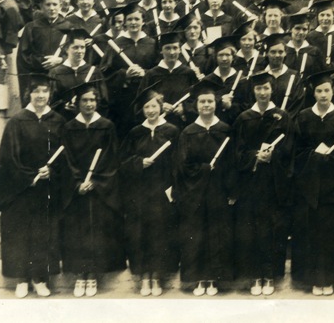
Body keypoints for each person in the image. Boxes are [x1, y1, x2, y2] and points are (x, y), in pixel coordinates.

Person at [0, 73, 65, 298]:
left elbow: (64, 156)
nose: (41, 95)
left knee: (43, 233)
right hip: (21, 190)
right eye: (36, 91)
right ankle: (22, 279)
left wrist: (51, 171)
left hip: (47, 189)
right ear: (29, 94)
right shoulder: (17, 121)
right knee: (21, 234)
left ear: (50, 93)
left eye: (45, 91)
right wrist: (29, 176)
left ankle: (40, 278)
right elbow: (9, 158)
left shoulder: (58, 121)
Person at [61, 83, 126, 297]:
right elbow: (66, 159)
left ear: (97, 103)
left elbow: (111, 159)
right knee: (77, 232)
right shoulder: (69, 127)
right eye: (84, 100)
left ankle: (94, 276)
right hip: (77, 189)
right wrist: (77, 182)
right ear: (77, 103)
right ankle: (80, 276)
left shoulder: (106, 126)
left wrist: (96, 182)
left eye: (92, 100)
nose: (89, 104)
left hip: (99, 188)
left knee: (98, 232)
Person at [292, 69, 334, 295]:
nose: (323, 94)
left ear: (333, 91)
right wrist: (315, 155)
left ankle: (329, 279)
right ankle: (313, 280)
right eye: (319, 90)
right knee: (311, 233)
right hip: (309, 185)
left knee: (330, 233)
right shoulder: (304, 117)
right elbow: (297, 150)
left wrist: (331, 157)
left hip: (332, 185)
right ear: (313, 92)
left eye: (327, 90)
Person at [232, 71, 293, 295]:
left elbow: (289, 149)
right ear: (253, 91)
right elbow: (237, 151)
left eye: (266, 87)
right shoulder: (244, 118)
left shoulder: (283, 117)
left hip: (273, 183)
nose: (263, 92)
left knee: (272, 229)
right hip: (251, 182)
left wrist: (272, 157)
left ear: (272, 89)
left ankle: (270, 275)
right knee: (251, 229)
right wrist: (254, 156)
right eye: (258, 88)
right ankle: (255, 275)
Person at [174, 79, 236, 296]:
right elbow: (183, 165)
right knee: (197, 235)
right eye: (202, 101)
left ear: (216, 103)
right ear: (196, 104)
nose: (206, 105)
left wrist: (230, 190)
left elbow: (231, 164)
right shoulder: (188, 132)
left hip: (218, 191)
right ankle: (199, 279)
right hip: (195, 192)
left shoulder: (225, 130)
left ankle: (214, 279)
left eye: (210, 101)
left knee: (217, 234)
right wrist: (203, 169)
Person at [120, 85, 181, 296]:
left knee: (160, 234)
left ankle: (157, 278)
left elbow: (178, 163)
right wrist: (139, 162)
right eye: (147, 107)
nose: (151, 110)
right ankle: (144, 277)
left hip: (163, 191)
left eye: (154, 106)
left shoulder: (172, 131)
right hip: (140, 191)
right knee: (140, 235)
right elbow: (122, 162)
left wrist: (174, 188)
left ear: (161, 107)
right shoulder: (135, 132)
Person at [100, 2, 157, 138]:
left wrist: (145, 73)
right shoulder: (116, 44)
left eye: (137, 19)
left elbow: (158, 70)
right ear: (124, 22)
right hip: (123, 99)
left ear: (143, 21)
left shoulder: (152, 43)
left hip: (146, 97)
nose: (133, 22)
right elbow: (104, 72)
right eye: (129, 19)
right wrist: (124, 74)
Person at [16, 0, 72, 105]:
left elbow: (75, 53)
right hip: (38, 79)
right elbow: (23, 56)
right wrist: (43, 61)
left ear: (60, 5)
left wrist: (60, 60)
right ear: (41, 6)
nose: (52, 8)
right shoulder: (31, 27)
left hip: (60, 79)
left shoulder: (69, 27)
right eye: (48, 4)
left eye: (55, 4)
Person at [138, 31, 200, 128]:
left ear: (180, 50)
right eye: (167, 48)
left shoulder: (188, 73)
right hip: (158, 125)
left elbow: (196, 98)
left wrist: (185, 108)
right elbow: (141, 102)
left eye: (175, 48)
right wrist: (159, 106)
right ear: (161, 50)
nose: (172, 52)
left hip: (183, 124)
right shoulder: (151, 74)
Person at [49, 28, 108, 121]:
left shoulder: (94, 72)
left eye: (82, 47)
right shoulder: (56, 73)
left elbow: (103, 102)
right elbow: (51, 102)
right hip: (64, 122)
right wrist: (64, 106)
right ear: (66, 49)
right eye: (75, 47)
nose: (80, 51)